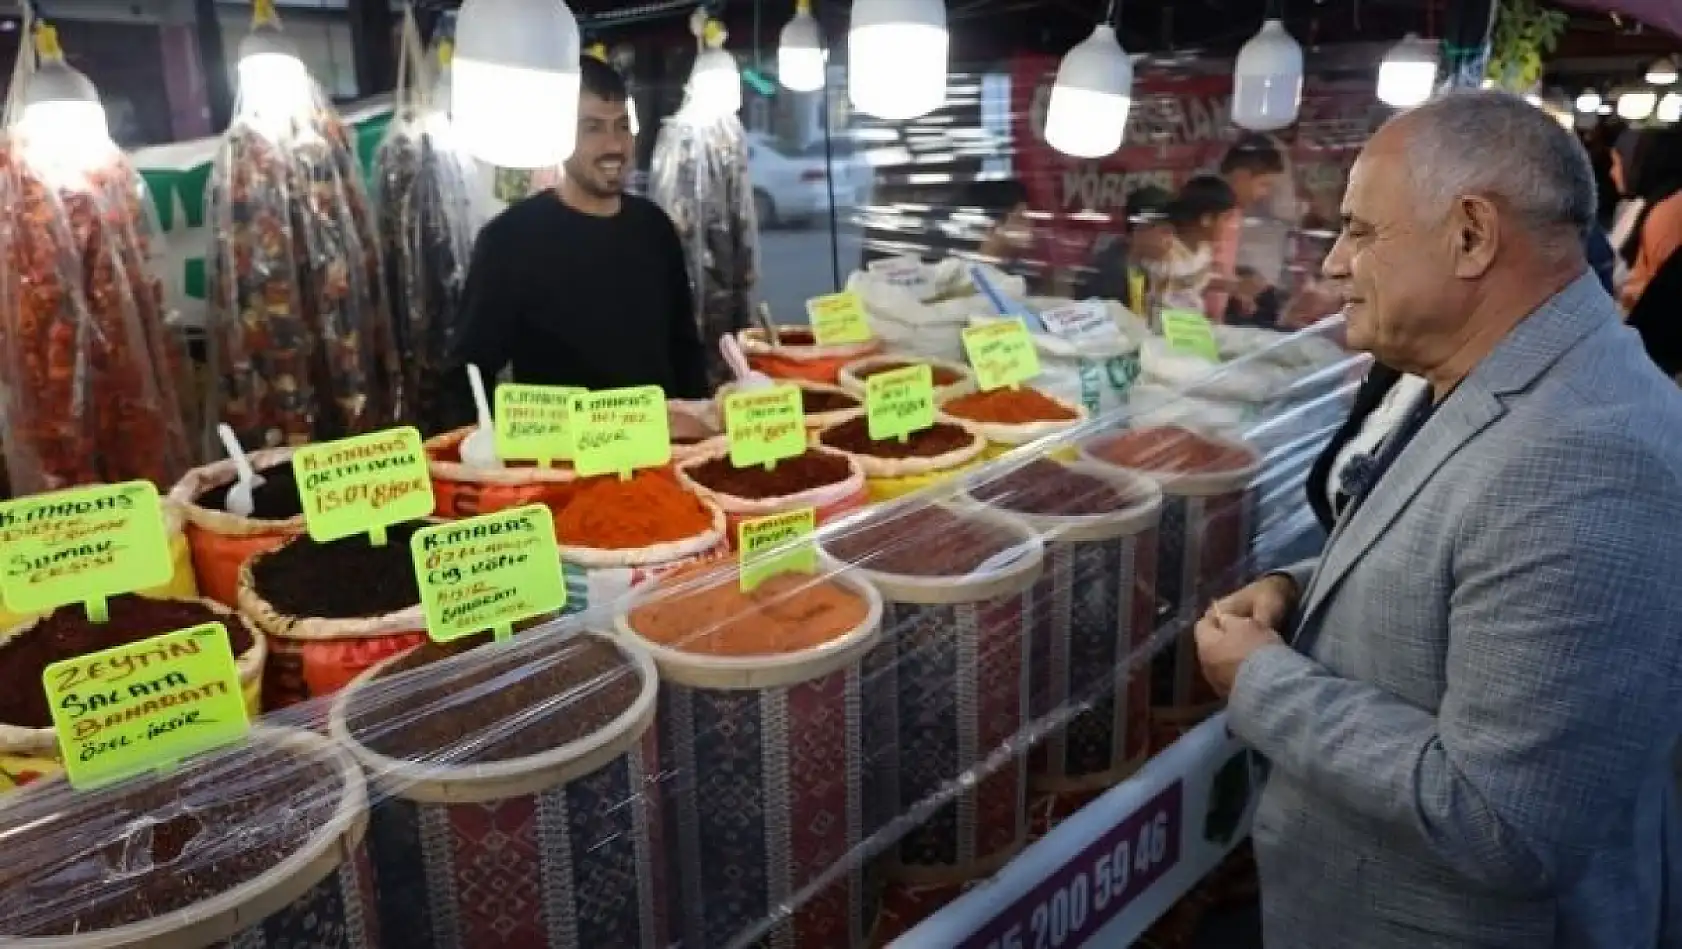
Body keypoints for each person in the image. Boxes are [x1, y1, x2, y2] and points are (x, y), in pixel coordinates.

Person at [1195, 90, 1682, 948]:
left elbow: (1504, 821)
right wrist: (1295, 588)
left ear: (1471, 235)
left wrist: (1264, 683)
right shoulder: (1489, 374)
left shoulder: (1587, 455)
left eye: (1361, 231)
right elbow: (1461, 569)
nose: (1334, 265)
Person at [445, 55, 708, 422]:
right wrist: (497, 454)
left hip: (660, 464)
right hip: (561, 468)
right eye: (592, 128)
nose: (614, 145)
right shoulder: (510, 240)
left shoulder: (655, 228)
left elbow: (685, 352)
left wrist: (704, 430)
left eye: (621, 126)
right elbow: (467, 373)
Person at [1611, 126, 1682, 313]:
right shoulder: (1639, 207)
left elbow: (1663, 290)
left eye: (1617, 163)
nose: (1612, 172)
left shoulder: (1668, 214)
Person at [1076, 184, 1175, 314]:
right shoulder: (1108, 273)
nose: (1171, 239)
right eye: (1165, 231)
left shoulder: (1147, 267)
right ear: (1140, 229)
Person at [1149, 175, 1239, 316]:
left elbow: (1197, 281)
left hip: (1192, 326)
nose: (1232, 226)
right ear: (1206, 219)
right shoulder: (1164, 251)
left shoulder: (1204, 250)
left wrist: (1233, 286)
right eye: (1226, 218)